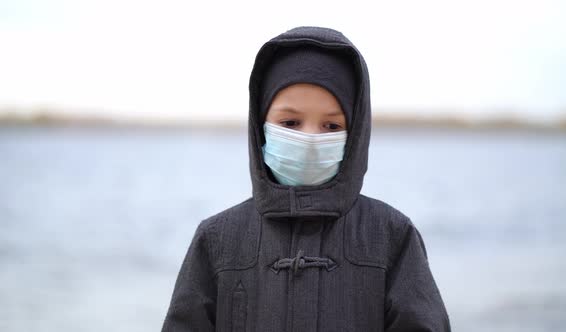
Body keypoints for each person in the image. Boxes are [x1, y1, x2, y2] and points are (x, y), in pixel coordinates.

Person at [162, 26, 451, 332]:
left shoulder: (392, 235)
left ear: (355, 134)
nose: (311, 139)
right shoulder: (217, 239)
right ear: (261, 127)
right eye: (290, 122)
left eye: (330, 125)